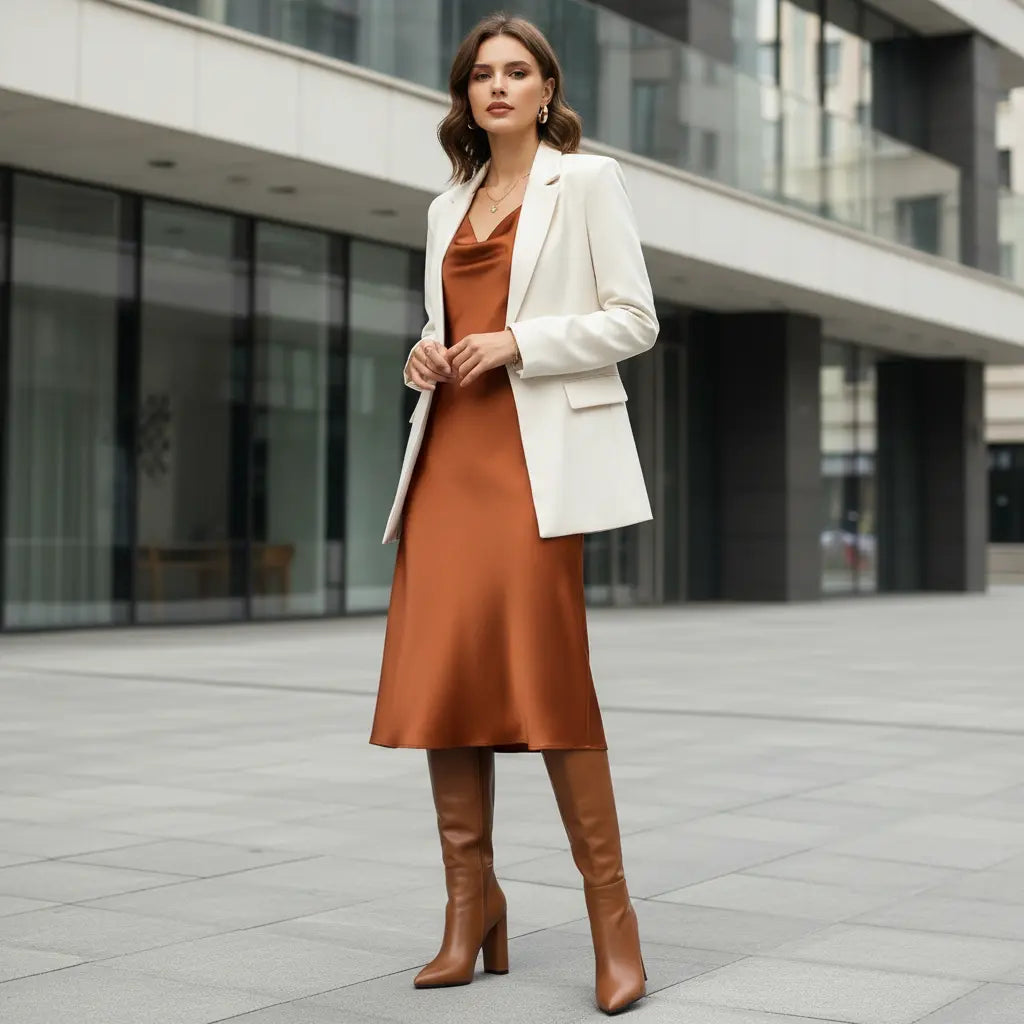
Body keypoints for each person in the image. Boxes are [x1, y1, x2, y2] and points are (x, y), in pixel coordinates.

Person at [369, 13, 658, 1016]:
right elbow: (446, 322)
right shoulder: (444, 203)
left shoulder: (586, 181)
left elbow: (633, 318)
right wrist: (427, 350)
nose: (497, 87)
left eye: (516, 72)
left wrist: (518, 343)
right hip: (449, 456)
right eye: (481, 74)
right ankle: (468, 908)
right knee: (445, 681)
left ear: (546, 89)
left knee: (550, 685)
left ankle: (612, 925)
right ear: (466, 96)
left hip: (536, 468)